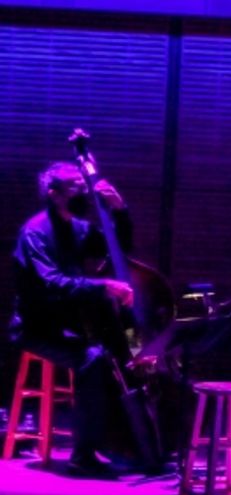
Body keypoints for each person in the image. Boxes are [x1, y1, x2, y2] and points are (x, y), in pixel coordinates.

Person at [10, 161, 135, 476]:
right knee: (92, 360)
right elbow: (51, 283)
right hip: (38, 328)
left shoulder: (79, 227)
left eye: (84, 185)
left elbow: (117, 249)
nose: (84, 192)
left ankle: (122, 443)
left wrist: (119, 211)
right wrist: (103, 285)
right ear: (54, 194)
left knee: (115, 356)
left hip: (71, 325)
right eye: (75, 188)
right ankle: (83, 456)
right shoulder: (34, 232)